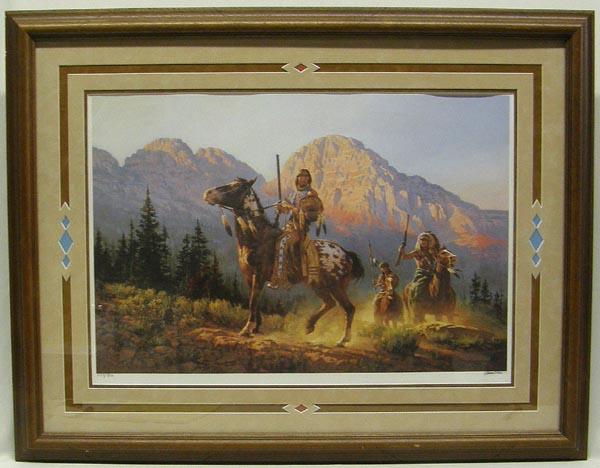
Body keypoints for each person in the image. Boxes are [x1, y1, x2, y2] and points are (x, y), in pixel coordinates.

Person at [267, 169, 323, 289]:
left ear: (309, 179)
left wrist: (291, 208)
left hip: (300, 229)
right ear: (297, 179)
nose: (302, 178)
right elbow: (286, 210)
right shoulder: (293, 194)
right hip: (288, 227)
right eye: (300, 176)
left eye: (305, 176)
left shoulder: (311, 194)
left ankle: (281, 279)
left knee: (282, 243)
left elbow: (308, 214)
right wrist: (280, 208)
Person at [396, 231, 441, 306]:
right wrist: (402, 251)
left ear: (428, 242)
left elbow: (438, 260)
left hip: (432, 273)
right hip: (421, 273)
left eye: (425, 240)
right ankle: (415, 300)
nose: (423, 242)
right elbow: (405, 257)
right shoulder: (417, 252)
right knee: (419, 286)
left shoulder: (432, 252)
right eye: (422, 240)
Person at [373, 262, 401, 326]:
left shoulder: (392, 275)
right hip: (383, 291)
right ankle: (377, 316)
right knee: (376, 301)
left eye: (384, 268)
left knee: (399, 300)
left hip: (391, 291)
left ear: (387, 268)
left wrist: (392, 285)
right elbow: (378, 283)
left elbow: (396, 281)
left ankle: (400, 314)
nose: (383, 269)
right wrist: (377, 284)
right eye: (382, 268)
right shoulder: (381, 276)